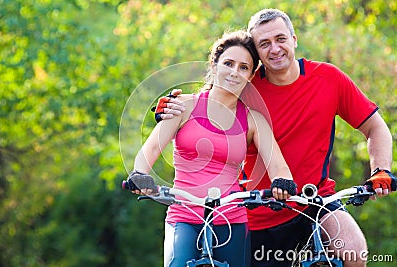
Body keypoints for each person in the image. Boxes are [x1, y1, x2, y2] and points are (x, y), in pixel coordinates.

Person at [154, 9, 396, 267]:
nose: (275, 49)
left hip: (315, 200)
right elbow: (208, 105)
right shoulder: (246, 88)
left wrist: (380, 170)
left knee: (354, 252)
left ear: (294, 39)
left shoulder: (328, 79)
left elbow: (376, 128)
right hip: (257, 209)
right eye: (264, 44)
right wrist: (174, 107)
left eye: (281, 39)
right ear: (256, 54)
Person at [125, 30, 295, 267]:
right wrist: (140, 175)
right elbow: (151, 149)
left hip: (232, 218)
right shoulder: (183, 105)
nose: (234, 72)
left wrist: (282, 182)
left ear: (250, 76)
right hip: (184, 216)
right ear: (214, 66)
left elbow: (279, 166)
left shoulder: (254, 120)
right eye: (228, 63)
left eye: (244, 67)